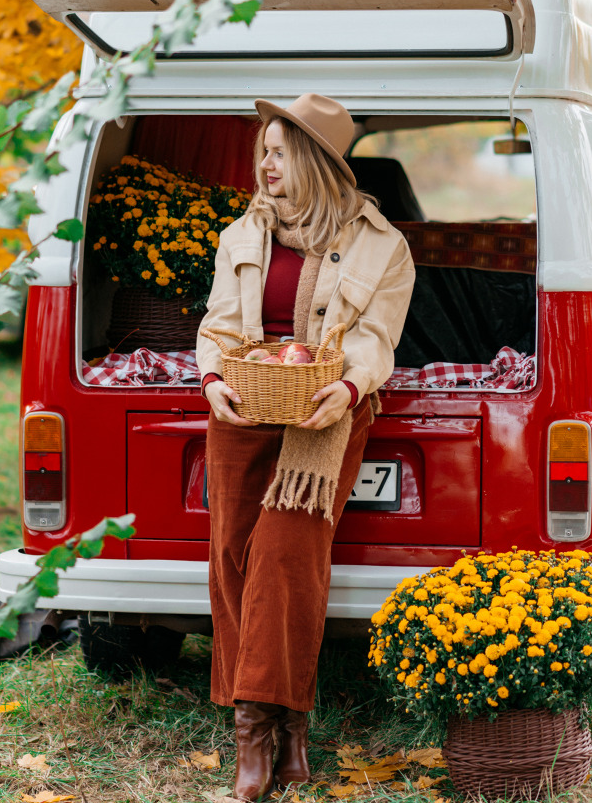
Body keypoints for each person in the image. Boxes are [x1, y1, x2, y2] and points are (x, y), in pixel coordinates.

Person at [195, 93, 415, 802]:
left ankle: (253, 734)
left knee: (285, 559)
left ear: (317, 162)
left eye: (280, 151)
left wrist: (347, 391)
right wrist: (211, 381)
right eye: (264, 150)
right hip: (242, 406)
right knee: (233, 559)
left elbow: (373, 342)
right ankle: (290, 733)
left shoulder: (383, 245)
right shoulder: (242, 236)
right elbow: (220, 327)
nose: (265, 164)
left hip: (322, 415)